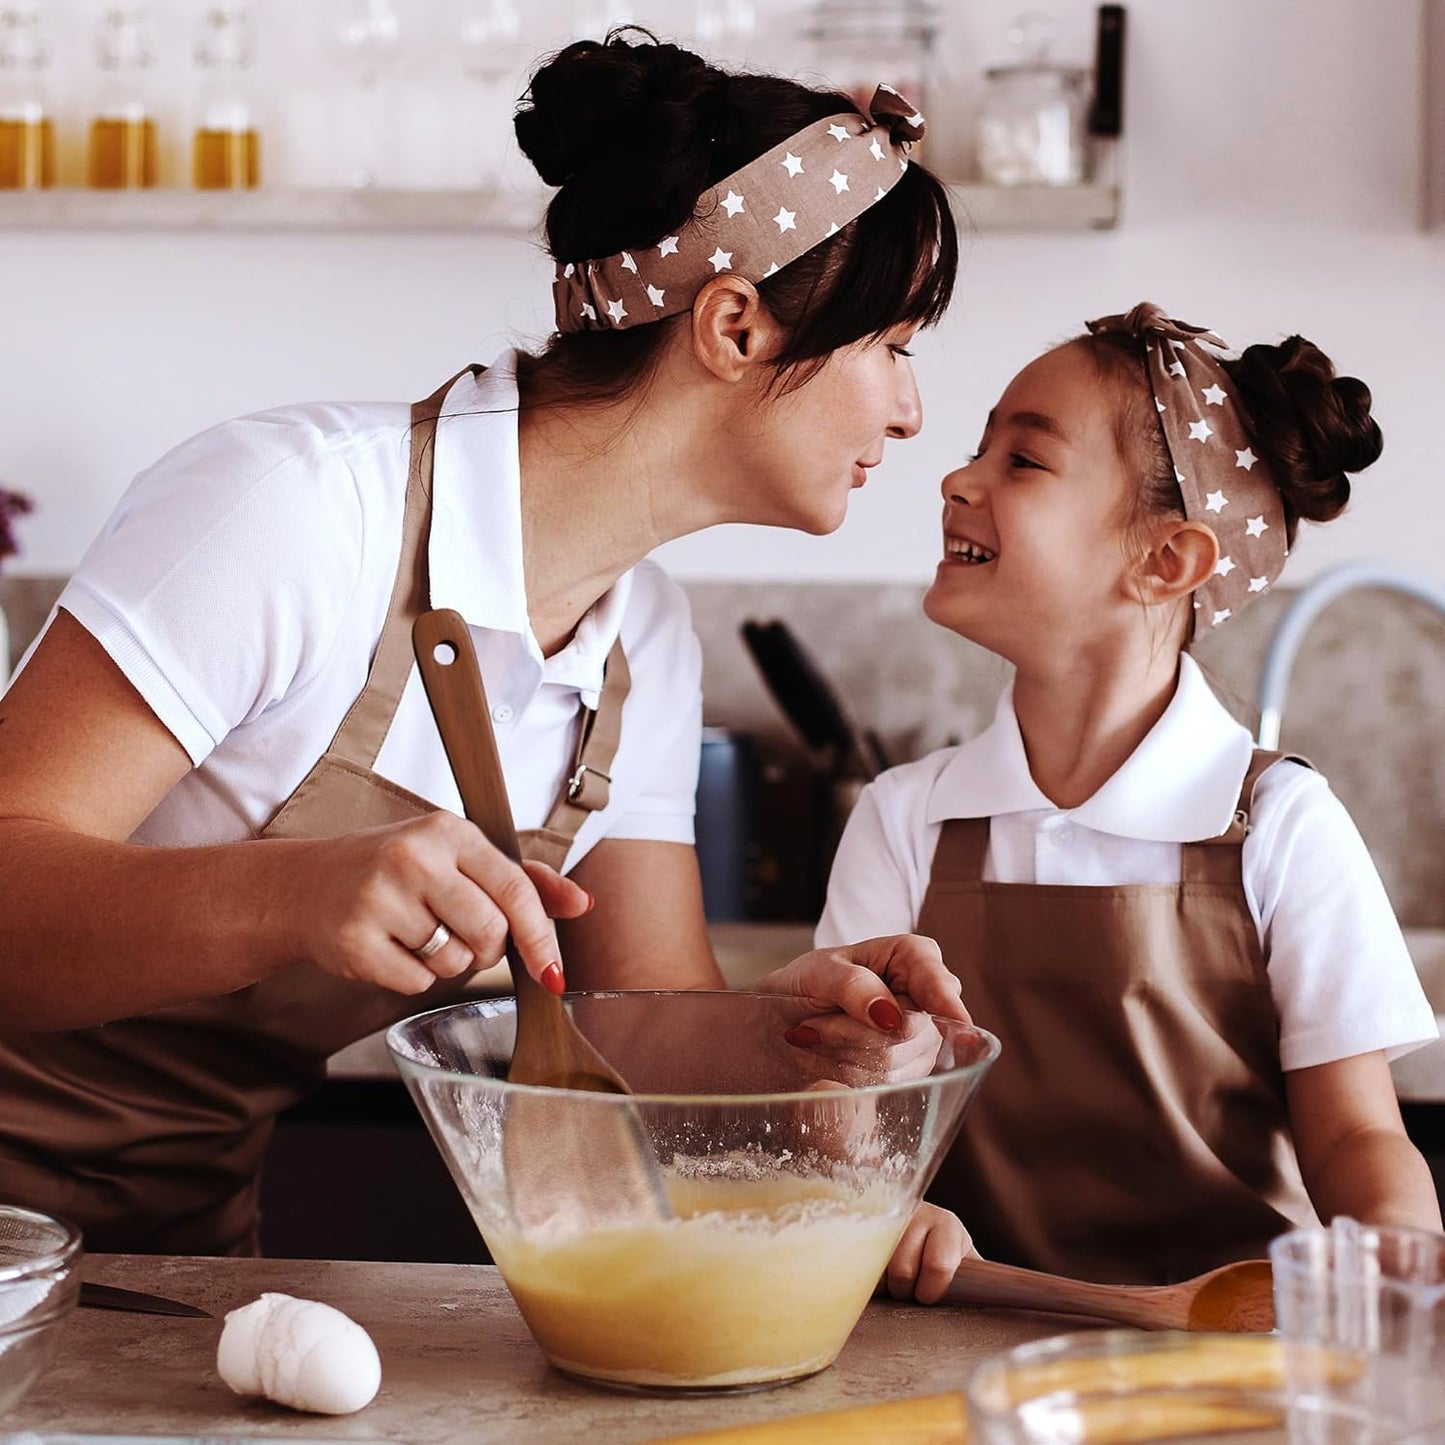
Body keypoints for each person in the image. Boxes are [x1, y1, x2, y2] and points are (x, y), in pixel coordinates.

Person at [0, 30, 966, 1256]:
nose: (909, 409)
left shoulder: (640, 643)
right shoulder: (296, 511)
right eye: (892, 346)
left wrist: (788, 1036)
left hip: (173, 1258)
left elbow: (636, 1034)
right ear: (733, 327)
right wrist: (294, 893)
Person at [815, 302, 1442, 1295]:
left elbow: (1355, 1135)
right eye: (978, 449)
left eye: (1022, 461)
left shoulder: (1279, 825)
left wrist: (1398, 1278)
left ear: (1164, 561)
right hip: (963, 1341)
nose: (955, 479)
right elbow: (842, 1106)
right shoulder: (903, 819)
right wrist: (876, 1203)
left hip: (1230, 1343)